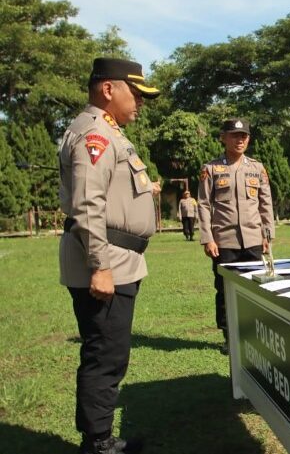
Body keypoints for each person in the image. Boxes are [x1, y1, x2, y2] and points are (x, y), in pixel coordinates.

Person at [58, 57, 160, 454]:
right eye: (134, 94)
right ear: (108, 89)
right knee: (105, 354)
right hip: (105, 262)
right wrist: (99, 265)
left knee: (109, 351)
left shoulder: (109, 132)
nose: (139, 102)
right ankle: (98, 443)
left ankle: (100, 436)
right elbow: (87, 202)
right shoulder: (95, 134)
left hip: (118, 259)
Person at [198, 118, 274, 352]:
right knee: (224, 290)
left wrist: (267, 235)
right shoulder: (211, 169)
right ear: (223, 138)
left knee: (256, 288)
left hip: (253, 240)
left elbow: (265, 203)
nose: (239, 140)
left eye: (244, 136)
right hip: (224, 242)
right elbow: (203, 204)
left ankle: (253, 334)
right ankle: (229, 337)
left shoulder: (257, 168)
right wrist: (207, 238)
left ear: (248, 140)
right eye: (234, 135)